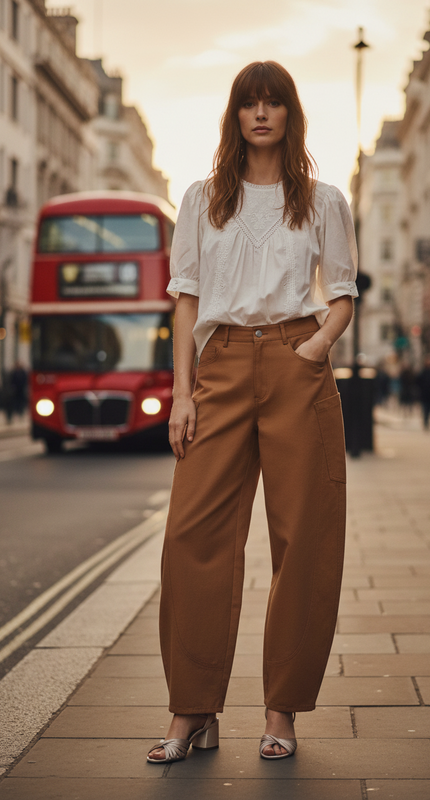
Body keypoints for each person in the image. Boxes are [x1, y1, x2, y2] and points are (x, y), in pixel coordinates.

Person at [147, 61, 358, 765]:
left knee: (304, 539)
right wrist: (182, 393)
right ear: (234, 116)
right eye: (248, 103)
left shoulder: (323, 199)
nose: (260, 114)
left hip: (298, 360)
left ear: (289, 114)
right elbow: (184, 298)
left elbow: (344, 292)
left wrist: (317, 347)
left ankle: (281, 712)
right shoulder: (202, 198)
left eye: (272, 103)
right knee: (190, 537)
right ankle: (191, 710)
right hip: (223, 365)